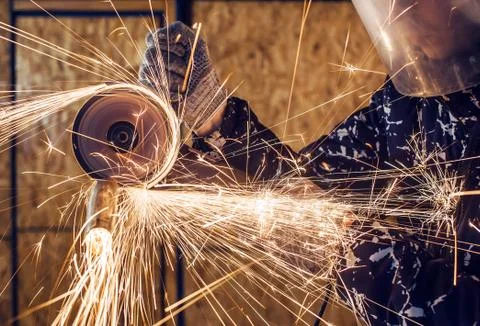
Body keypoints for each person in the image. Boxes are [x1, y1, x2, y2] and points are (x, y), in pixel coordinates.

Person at [139, 1, 480, 324]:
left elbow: (460, 312)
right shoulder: (411, 100)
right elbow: (307, 182)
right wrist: (213, 117)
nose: (402, 11)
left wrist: (341, 251)